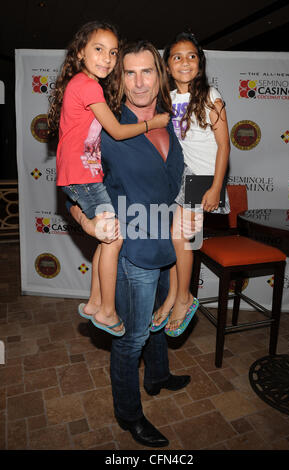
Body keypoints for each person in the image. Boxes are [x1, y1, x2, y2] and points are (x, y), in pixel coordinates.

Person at [69, 40, 203, 448]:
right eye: (130, 72)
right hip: (133, 253)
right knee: (131, 339)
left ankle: (158, 375)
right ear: (118, 76)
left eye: (148, 71)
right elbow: (74, 191)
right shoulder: (105, 126)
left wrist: (192, 222)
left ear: (160, 75)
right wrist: (89, 225)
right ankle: (129, 415)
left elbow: (182, 181)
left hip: (169, 242)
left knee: (158, 323)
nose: (140, 82)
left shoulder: (171, 121)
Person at [47, 21, 169, 337]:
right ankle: (106, 310)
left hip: (83, 176)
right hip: (83, 178)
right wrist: (152, 124)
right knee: (113, 239)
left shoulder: (84, 84)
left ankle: (93, 304)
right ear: (80, 52)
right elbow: (115, 130)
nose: (107, 58)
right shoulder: (87, 85)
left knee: (106, 239)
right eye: (98, 49)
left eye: (113, 52)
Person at [150, 31, 230, 337]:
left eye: (192, 56)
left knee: (181, 239)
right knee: (176, 240)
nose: (185, 62)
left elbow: (224, 146)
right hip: (180, 177)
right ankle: (174, 295)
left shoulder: (212, 96)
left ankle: (183, 297)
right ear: (167, 66)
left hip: (204, 179)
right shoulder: (167, 99)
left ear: (201, 62)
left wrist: (215, 186)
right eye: (177, 57)